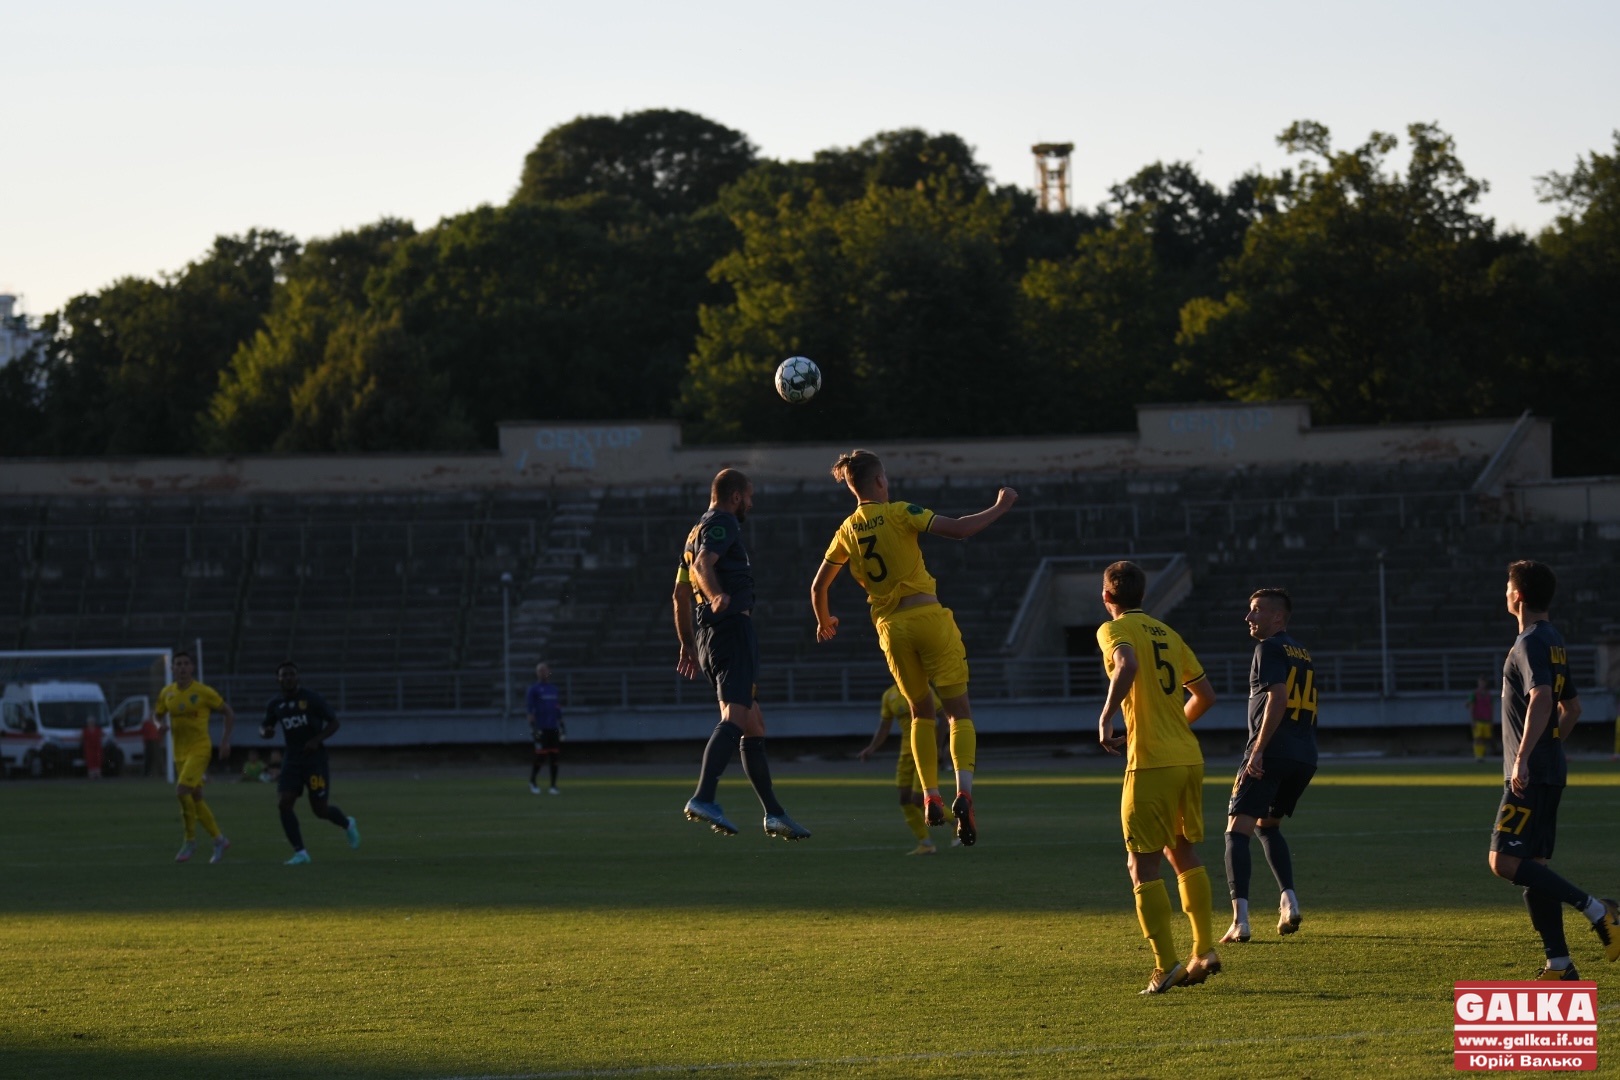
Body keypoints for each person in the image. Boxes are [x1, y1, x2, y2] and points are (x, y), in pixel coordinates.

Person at [811, 449, 1017, 848]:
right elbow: (958, 530)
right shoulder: (902, 511)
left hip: (891, 629)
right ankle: (964, 793)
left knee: (921, 713)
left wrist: (824, 620)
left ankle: (930, 795)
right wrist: (1000, 506)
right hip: (928, 619)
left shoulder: (846, 531)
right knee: (958, 714)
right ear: (880, 482)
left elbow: (819, 586)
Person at [1485, 560, 1619, 980]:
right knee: (1535, 869)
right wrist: (1546, 747)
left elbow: (1544, 698)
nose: (1505, 592)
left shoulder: (1527, 643)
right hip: (1550, 768)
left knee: (1503, 862)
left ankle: (1600, 910)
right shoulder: (1553, 639)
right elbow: (1573, 708)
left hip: (1532, 773)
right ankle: (1558, 963)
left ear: (1518, 595)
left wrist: (1525, 756)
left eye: (1508, 586)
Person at [1095, 560, 1221, 994]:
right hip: (1187, 757)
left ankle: (1166, 964)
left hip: (1150, 762)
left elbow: (1126, 665)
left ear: (1107, 597)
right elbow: (1205, 695)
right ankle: (1204, 948)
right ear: (1143, 596)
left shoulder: (1113, 630)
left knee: (1140, 863)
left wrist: (1108, 715)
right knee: (1181, 850)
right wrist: (1173, 727)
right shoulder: (1167, 632)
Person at [673, 469, 810, 841]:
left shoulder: (693, 531)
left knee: (755, 725)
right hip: (731, 630)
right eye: (748, 497)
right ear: (735, 496)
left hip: (708, 636)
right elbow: (703, 566)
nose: (750, 503)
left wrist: (687, 643)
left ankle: (774, 814)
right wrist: (717, 595)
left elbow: (680, 594)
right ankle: (703, 797)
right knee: (734, 717)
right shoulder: (722, 521)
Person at [1220, 588, 1318, 944]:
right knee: (1268, 826)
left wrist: (1258, 751)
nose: (1249, 618)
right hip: (1303, 756)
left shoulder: (1268, 649)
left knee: (1236, 831)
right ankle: (1289, 901)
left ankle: (1239, 921)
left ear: (1278, 617)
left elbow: (1278, 696)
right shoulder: (1302, 653)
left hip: (1271, 752)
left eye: (1256, 610)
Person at [259, 661, 360, 866]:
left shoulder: (312, 699)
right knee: (284, 802)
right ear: (278, 679)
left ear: (298, 677)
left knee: (320, 810)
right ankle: (301, 853)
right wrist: (265, 732)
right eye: (283, 675)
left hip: (315, 761)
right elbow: (265, 726)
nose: (288, 678)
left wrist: (316, 740)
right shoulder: (275, 703)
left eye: (291, 674)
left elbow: (334, 722)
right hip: (292, 760)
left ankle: (347, 823)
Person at [149, 649, 235, 864]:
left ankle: (190, 841)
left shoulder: (204, 692)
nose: (182, 667)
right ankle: (219, 839)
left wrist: (225, 741)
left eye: (186, 663)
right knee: (195, 797)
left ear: (192, 667)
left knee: (181, 791)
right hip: (179, 752)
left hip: (200, 749)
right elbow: (157, 714)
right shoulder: (167, 693)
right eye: (178, 664)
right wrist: (159, 725)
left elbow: (228, 712)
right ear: (172, 668)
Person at [857, 682, 948, 855]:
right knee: (904, 799)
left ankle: (956, 821)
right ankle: (926, 843)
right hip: (906, 753)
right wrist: (872, 748)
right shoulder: (889, 696)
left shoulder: (922, 689)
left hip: (925, 750)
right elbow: (884, 726)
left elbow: (943, 716)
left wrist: (938, 746)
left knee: (917, 799)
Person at [526, 662, 565, 795]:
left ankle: (553, 785)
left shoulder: (554, 689)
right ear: (537, 673)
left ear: (549, 672)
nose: (542, 673)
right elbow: (530, 710)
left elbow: (557, 709)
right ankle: (533, 781)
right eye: (540, 670)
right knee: (541, 756)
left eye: (544, 670)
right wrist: (533, 728)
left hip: (553, 727)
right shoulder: (533, 689)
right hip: (541, 728)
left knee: (554, 756)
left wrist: (562, 725)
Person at [1467, 675, 1495, 762]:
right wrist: (1472, 721)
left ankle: (1482, 755)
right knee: (1478, 738)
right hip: (1477, 720)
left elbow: (1491, 708)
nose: (1482, 684)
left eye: (1484, 682)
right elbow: (1471, 707)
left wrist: (1491, 720)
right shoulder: (1474, 694)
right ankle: (1478, 756)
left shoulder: (1488, 695)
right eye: (1481, 682)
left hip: (1486, 720)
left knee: (1484, 738)